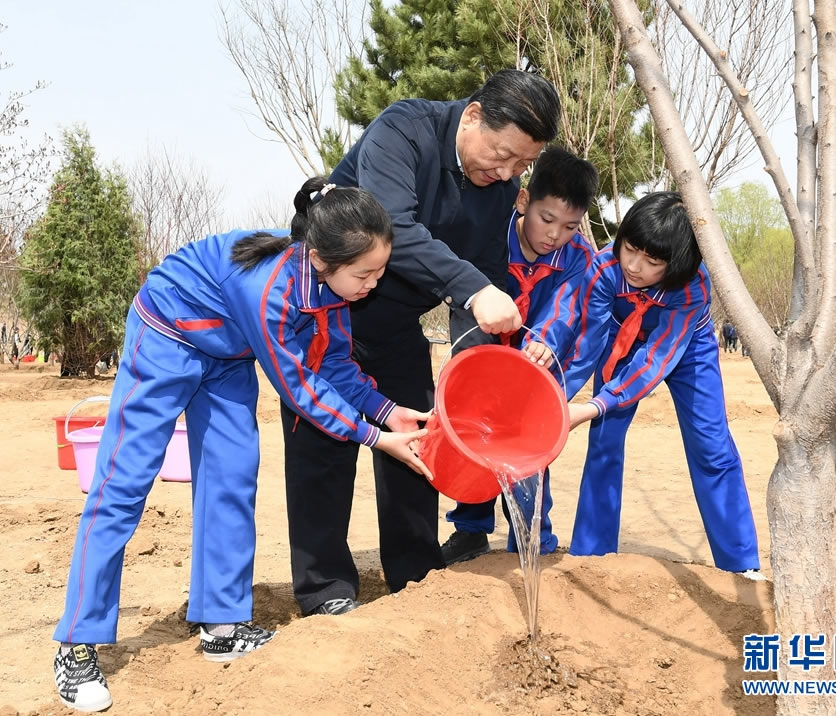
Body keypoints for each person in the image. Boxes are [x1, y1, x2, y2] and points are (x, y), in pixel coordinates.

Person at [52, 178, 432, 713]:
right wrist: (377, 438)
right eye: (365, 273)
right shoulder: (270, 288)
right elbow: (300, 390)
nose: (373, 284)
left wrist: (391, 411)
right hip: (167, 332)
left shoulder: (336, 287)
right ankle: (76, 643)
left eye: (379, 271)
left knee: (232, 477)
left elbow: (337, 366)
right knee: (124, 480)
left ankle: (223, 624)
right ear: (321, 258)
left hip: (227, 356)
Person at [281, 69, 561, 616]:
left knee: (418, 440)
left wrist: (492, 344)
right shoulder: (403, 131)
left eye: (521, 165)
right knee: (324, 446)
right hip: (322, 320)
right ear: (475, 115)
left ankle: (413, 576)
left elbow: (484, 265)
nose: (506, 172)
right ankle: (326, 590)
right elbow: (397, 229)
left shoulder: (499, 189)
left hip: (393, 328)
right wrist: (475, 290)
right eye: (502, 154)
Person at [565, 192, 760, 576]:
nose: (634, 266)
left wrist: (596, 405)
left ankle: (739, 564)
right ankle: (593, 555)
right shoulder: (604, 268)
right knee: (604, 440)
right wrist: (559, 397)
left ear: (677, 265)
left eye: (652, 262)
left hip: (686, 348)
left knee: (712, 446)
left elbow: (655, 360)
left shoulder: (692, 288)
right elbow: (587, 343)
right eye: (630, 249)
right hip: (621, 340)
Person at [441, 147, 598, 564]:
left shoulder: (578, 257)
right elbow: (465, 293)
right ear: (524, 201)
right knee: (474, 433)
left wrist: (546, 338)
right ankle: (470, 529)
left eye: (568, 227)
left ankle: (532, 538)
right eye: (547, 220)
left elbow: (566, 306)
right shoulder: (490, 235)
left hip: (534, 365)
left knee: (528, 446)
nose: (554, 235)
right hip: (482, 355)